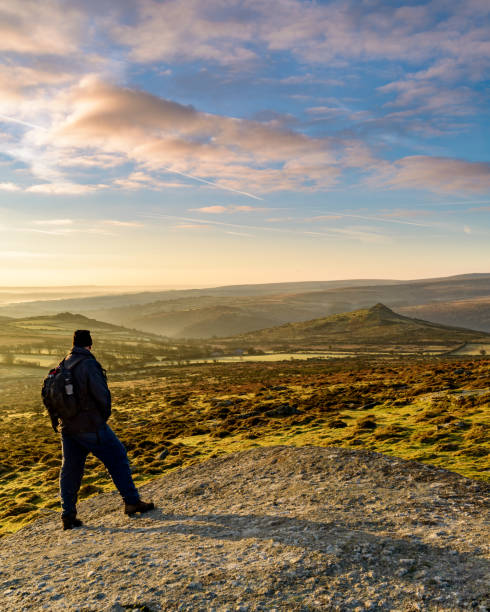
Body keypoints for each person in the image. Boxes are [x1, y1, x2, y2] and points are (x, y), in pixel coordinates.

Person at [53, 329, 154, 530]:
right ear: (90, 344)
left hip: (68, 427)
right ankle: (132, 502)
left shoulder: (64, 363)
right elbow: (102, 395)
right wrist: (101, 419)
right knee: (117, 456)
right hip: (90, 425)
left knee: (70, 470)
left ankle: (68, 515)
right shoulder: (88, 363)